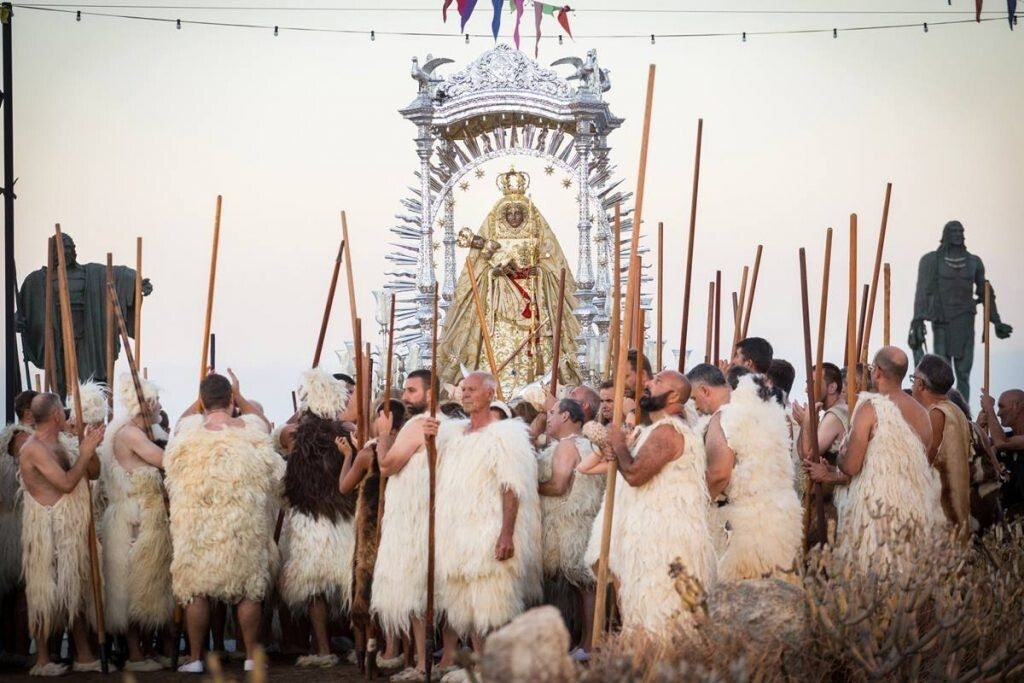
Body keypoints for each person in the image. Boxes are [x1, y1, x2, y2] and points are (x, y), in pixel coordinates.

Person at [164, 372, 282, 674]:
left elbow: (179, 421)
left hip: (198, 525)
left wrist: (199, 399)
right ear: (231, 400)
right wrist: (240, 396)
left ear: (202, 401)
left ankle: (194, 657)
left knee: (196, 590)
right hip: (241, 523)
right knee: (247, 589)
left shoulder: (188, 432)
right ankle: (251, 656)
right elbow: (266, 425)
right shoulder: (250, 430)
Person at [585, 370, 716, 633]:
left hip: (664, 545)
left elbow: (634, 474)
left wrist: (619, 443)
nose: (646, 384)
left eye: (656, 382)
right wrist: (617, 450)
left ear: (674, 395)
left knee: (660, 624)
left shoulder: (668, 431)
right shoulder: (656, 430)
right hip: (654, 541)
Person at [429, 372, 541, 653]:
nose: (465, 394)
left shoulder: (506, 436)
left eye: (472, 389)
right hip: (457, 531)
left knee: (493, 602)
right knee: (467, 603)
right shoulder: (452, 434)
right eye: (463, 389)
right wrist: (430, 442)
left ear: (490, 394)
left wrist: (506, 533)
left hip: (488, 530)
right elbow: (435, 474)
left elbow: (511, 487)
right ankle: (479, 662)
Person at [372, 369, 457, 682]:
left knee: (419, 593)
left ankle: (423, 663)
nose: (405, 397)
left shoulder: (419, 424)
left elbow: (386, 466)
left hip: (414, 521)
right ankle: (447, 657)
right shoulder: (449, 426)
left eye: (411, 391)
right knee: (442, 590)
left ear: (430, 394)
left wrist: (383, 435)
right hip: (439, 517)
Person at [833, 347, 944, 573]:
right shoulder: (922, 414)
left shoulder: (870, 408)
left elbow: (852, 466)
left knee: (871, 576)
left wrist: (840, 455)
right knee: (905, 580)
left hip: (876, 512)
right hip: (912, 509)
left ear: (877, 372)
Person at [687, 364, 802, 581]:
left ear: (704, 390)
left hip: (743, 528)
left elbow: (719, 473)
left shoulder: (722, 418)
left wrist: (697, 508)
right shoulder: (767, 411)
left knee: (739, 599)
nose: (695, 406)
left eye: (694, 399)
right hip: (781, 517)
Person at [18, 393, 105, 676]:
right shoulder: (34, 448)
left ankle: (83, 654)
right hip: (46, 527)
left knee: (74, 590)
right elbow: (67, 483)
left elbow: (91, 474)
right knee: (44, 592)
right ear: (56, 414)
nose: (67, 415)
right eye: (63, 412)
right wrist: (83, 453)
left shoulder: (61, 441)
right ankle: (42, 660)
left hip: (68, 528)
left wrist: (88, 448)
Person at [278, 369, 356, 668]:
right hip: (342, 516)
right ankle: (360, 646)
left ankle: (323, 648)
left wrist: (300, 412)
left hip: (309, 518)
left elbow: (279, 435)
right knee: (348, 581)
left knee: (314, 587)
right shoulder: (348, 429)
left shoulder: (292, 434)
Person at [98, 374, 174, 672]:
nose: (161, 407)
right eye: (157, 403)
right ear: (148, 405)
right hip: (133, 518)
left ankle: (144, 648)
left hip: (148, 517)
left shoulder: (145, 430)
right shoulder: (130, 434)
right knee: (130, 585)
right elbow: (162, 459)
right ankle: (134, 653)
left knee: (147, 585)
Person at [16, 233, 151, 397]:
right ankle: (63, 416)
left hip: (89, 340)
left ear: (74, 251)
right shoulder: (37, 280)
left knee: (93, 386)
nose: (64, 253)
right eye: (59, 249)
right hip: (57, 341)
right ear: (50, 254)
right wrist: (18, 322)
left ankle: (93, 416)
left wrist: (137, 283)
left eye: (68, 248)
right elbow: (24, 312)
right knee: (62, 389)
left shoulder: (91, 273)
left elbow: (118, 274)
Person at [909, 220, 1013, 399]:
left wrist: (996, 321)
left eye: (960, 231)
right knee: (941, 371)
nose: (958, 234)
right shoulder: (932, 260)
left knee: (963, 372)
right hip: (942, 321)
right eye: (954, 231)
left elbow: (986, 292)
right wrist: (917, 320)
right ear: (946, 235)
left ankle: (963, 413)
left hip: (965, 320)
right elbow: (922, 291)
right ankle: (943, 406)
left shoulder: (974, 262)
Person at [339, 399, 405, 675]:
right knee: (388, 587)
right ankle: (395, 651)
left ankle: (367, 654)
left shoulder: (370, 454)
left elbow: (344, 487)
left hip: (372, 529)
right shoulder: (409, 449)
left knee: (366, 586)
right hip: (399, 527)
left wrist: (348, 456)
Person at [537, 398, 603, 659]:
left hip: (569, 525)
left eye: (552, 413)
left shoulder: (567, 446)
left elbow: (558, 485)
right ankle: (584, 642)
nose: (548, 418)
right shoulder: (587, 445)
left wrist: (529, 485)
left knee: (584, 585)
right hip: (581, 521)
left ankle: (588, 644)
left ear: (565, 416)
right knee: (582, 586)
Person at [911, 355, 972, 542]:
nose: (912, 385)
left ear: (920, 384)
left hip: (943, 509)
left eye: (913, 380)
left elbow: (923, 462)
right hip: (958, 503)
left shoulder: (936, 414)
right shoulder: (956, 410)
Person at [794, 363, 850, 546]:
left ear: (833, 387)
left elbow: (808, 454)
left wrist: (808, 420)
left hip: (831, 506)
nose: (806, 389)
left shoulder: (835, 414)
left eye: (813, 383)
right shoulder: (836, 412)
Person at [978, 388, 1024, 519]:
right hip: (1007, 520)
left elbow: (1001, 442)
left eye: (1001, 407)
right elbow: (979, 447)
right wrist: (978, 426)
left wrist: (989, 409)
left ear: (1017, 407)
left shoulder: (1006, 440)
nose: (998, 413)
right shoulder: (1007, 437)